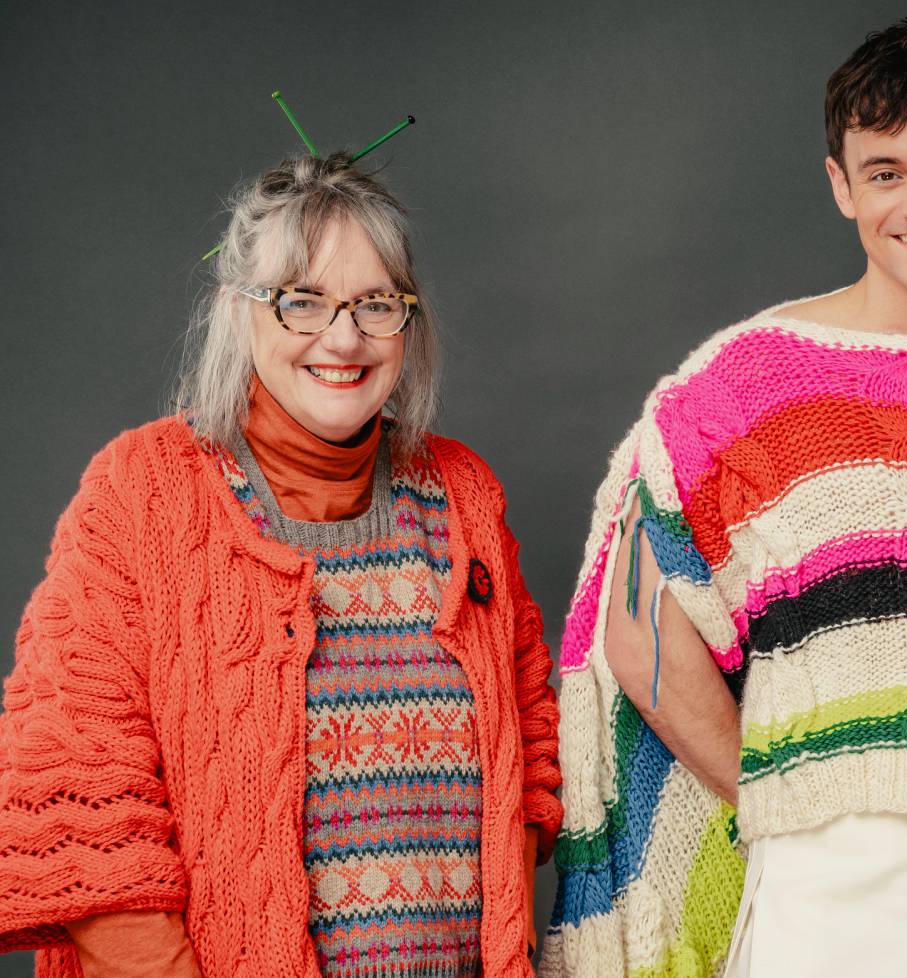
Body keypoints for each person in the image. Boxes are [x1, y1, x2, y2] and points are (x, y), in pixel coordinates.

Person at [543, 16, 907, 978]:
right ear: (841, 185)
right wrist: (769, 795)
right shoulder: (746, 385)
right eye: (885, 172)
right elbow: (639, 636)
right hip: (826, 899)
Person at [0, 154, 561, 978]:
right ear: (239, 311)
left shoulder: (464, 495)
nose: (344, 338)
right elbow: (83, 799)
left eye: (376, 303)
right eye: (302, 300)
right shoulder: (141, 495)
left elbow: (532, 740)